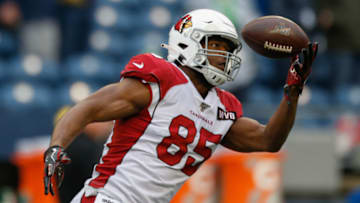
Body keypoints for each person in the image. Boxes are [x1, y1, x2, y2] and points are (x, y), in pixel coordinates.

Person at [43, 9, 318, 203]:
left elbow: (269, 140)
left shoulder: (221, 108)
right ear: (189, 41)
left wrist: (292, 93)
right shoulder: (161, 79)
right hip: (109, 197)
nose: (224, 56)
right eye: (218, 45)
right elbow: (87, 107)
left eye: (228, 49)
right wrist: (56, 146)